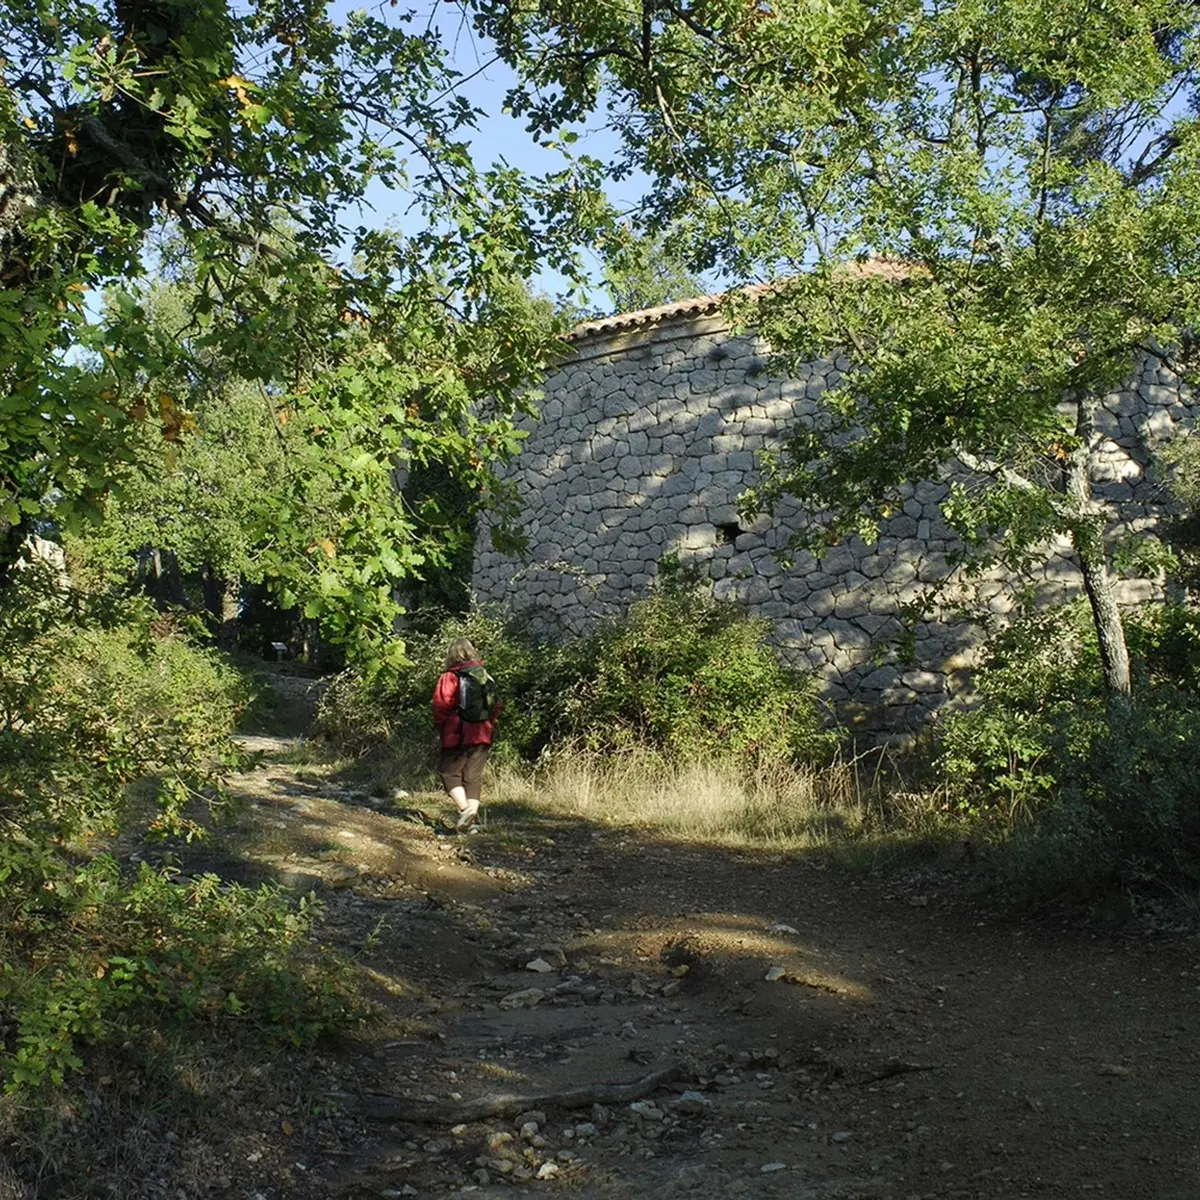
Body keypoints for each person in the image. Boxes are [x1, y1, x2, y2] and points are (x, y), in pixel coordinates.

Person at [431, 637, 497, 831]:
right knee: (472, 777)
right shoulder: (485, 676)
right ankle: (472, 824)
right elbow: (496, 705)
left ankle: (466, 811)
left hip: (457, 733)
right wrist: (488, 724)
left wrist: (441, 727)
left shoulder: (450, 677)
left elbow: (441, 705)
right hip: (483, 733)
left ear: (451, 654)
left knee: (448, 772)